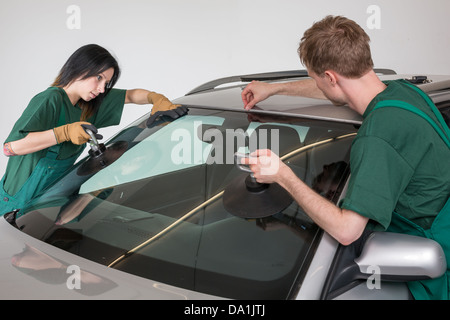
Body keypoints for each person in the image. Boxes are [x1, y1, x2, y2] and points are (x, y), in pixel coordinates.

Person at [241, 15, 450, 299]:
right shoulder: (405, 93)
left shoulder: (377, 136)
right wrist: (275, 88)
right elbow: (330, 87)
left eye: (318, 78)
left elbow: (347, 231)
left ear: (330, 77)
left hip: (430, 272)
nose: (318, 85)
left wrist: (283, 176)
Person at [1, 44, 186, 216]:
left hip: (45, 206)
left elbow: (131, 95)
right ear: (80, 68)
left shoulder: (89, 106)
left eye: (106, 82)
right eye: (99, 78)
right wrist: (63, 133)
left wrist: (157, 98)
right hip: (14, 204)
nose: (101, 88)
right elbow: (10, 148)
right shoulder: (51, 100)